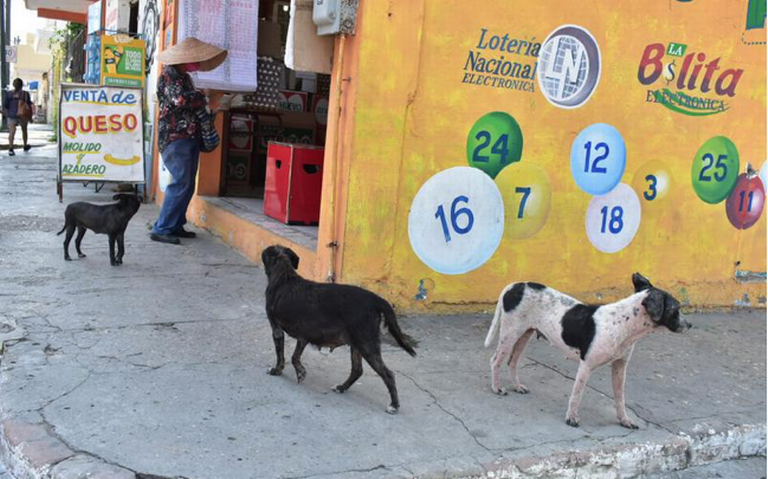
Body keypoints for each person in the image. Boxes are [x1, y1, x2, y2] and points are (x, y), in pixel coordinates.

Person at [150, 37, 228, 245]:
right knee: (181, 182)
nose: (197, 64)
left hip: (187, 136)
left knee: (187, 184)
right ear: (185, 59)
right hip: (176, 137)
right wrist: (203, 97)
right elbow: (180, 100)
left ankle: (175, 224)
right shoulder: (169, 75)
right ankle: (162, 228)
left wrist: (201, 96)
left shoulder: (182, 76)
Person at [3, 78, 33, 156]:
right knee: (24, 130)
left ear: (13, 85)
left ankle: (11, 148)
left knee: (12, 131)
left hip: (11, 114)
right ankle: (25, 145)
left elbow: (6, 106)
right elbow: (29, 105)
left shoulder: (8, 94)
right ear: (22, 85)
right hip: (23, 115)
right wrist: (30, 117)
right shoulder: (25, 94)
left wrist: (6, 115)